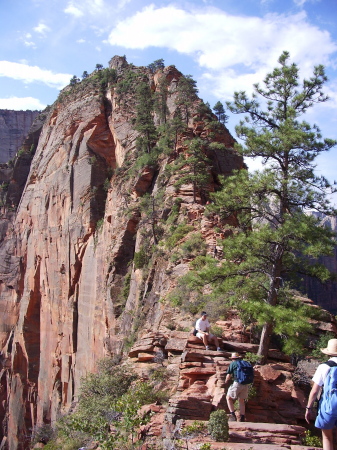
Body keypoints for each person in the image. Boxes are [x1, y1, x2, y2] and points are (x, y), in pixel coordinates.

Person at [305, 338, 337, 450]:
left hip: (328, 406)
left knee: (327, 437)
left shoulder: (324, 367)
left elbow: (314, 391)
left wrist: (308, 408)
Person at [225, 352, 249, 422]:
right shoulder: (245, 363)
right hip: (246, 384)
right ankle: (242, 417)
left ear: (232, 358)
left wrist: (225, 382)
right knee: (241, 400)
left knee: (228, 398)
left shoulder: (233, 364)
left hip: (237, 383)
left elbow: (228, 375)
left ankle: (232, 415)